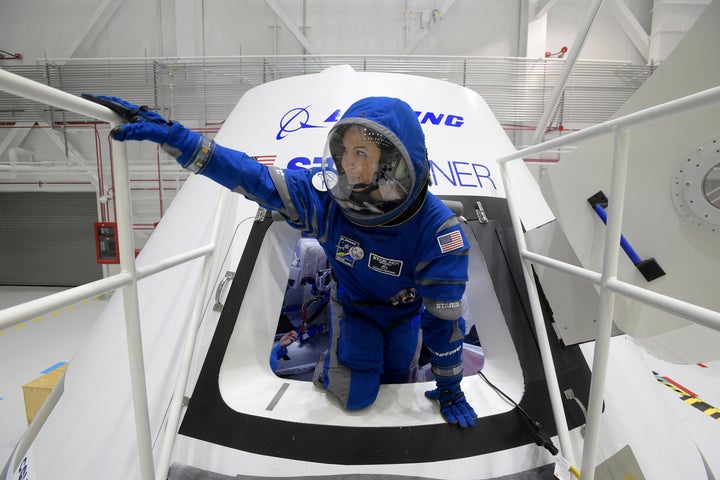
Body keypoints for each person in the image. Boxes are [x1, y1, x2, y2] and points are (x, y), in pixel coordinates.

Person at [89, 94, 477, 428]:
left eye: (362, 153)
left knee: (399, 382)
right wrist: (180, 140)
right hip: (356, 310)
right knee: (356, 398)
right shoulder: (325, 199)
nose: (348, 165)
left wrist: (450, 390)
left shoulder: (438, 231)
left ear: (393, 161)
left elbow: (443, 321)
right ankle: (331, 361)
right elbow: (252, 176)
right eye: (344, 152)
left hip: (405, 314)